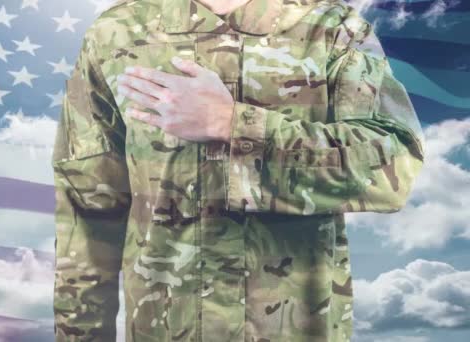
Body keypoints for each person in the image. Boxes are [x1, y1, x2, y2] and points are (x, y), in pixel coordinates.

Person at [51, 0, 426, 340]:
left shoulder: (333, 27)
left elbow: (396, 167)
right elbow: (86, 206)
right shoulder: (116, 32)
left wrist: (234, 124)